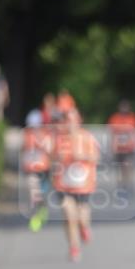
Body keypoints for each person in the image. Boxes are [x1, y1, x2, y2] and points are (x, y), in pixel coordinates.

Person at [50, 108, 100, 261]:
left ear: (79, 121)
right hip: (63, 184)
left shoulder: (87, 137)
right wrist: (57, 158)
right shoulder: (59, 138)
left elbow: (96, 158)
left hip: (83, 184)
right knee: (68, 215)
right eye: (67, 120)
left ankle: (84, 227)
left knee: (81, 216)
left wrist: (82, 156)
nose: (70, 123)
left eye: (73, 120)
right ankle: (74, 247)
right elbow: (51, 158)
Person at [107, 99, 135, 190]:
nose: (124, 109)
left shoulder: (133, 118)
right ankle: (120, 183)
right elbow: (112, 134)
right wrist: (112, 146)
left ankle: (127, 182)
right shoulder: (114, 118)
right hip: (119, 147)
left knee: (127, 165)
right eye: (122, 107)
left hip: (129, 147)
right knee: (119, 166)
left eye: (126, 107)